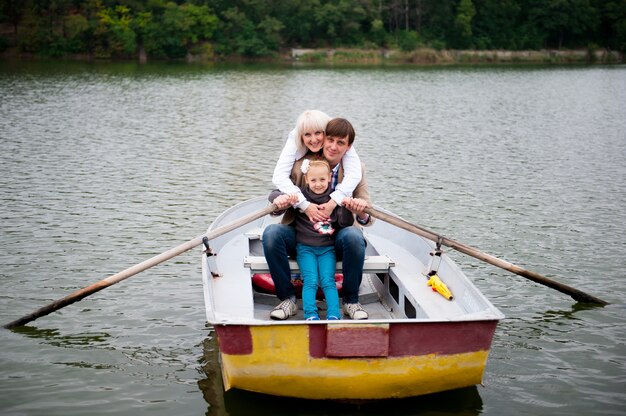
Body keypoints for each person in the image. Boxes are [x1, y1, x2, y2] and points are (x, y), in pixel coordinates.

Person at [263, 117, 373, 320]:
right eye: (330, 140)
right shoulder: (302, 166)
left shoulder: (355, 170)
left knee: (354, 237)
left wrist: (361, 210)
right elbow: (274, 194)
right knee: (271, 234)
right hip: (302, 236)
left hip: (336, 239)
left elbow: (368, 213)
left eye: (340, 143)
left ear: (348, 147)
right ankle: (287, 299)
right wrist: (280, 200)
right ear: (324, 139)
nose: (333, 146)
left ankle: (351, 301)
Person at [268, 159, 354, 320]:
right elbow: (273, 194)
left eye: (322, 179)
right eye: (313, 180)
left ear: (329, 177)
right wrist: (283, 199)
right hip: (305, 249)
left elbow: (345, 223)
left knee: (328, 281)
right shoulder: (301, 196)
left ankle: (334, 314)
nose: (318, 184)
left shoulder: (335, 198)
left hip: (328, 249)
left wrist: (347, 208)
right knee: (311, 281)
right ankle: (310, 314)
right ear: (306, 179)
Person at [272, 110, 362, 223]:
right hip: (303, 224)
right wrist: (304, 205)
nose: (314, 140)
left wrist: (333, 202)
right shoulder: (297, 154)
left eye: (318, 133)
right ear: (301, 136)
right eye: (307, 134)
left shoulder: (340, 136)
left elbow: (354, 175)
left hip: (341, 224)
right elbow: (279, 178)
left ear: (326, 133)